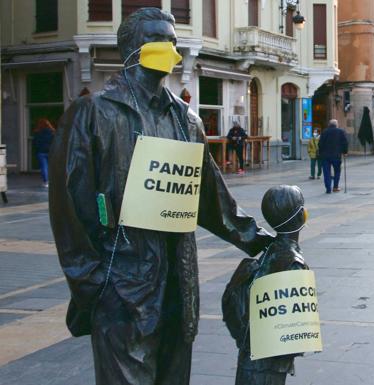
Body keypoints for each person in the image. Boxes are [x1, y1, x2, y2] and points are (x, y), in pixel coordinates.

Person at [48, 8, 272, 385]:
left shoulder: (187, 120)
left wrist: (260, 239)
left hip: (177, 285)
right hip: (121, 287)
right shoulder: (93, 113)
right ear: (134, 48)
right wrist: (93, 282)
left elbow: (209, 198)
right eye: (161, 39)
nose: (171, 48)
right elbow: (68, 206)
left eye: (173, 40)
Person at [223, 185, 309, 385]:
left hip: (250, 356)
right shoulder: (293, 263)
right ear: (300, 217)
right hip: (268, 365)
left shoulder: (269, 252)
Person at [318, 119, 348, 193]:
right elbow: (345, 142)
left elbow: (320, 144)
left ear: (329, 124)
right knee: (337, 171)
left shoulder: (324, 132)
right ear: (336, 124)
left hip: (325, 156)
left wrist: (321, 152)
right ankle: (335, 187)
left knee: (326, 172)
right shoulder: (341, 131)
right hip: (336, 155)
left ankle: (328, 189)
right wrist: (345, 152)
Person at [32, 118, 55, 188]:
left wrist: (37, 150)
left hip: (41, 152)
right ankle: (53, 181)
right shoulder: (53, 132)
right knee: (51, 167)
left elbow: (35, 143)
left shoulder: (37, 132)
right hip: (51, 152)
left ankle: (46, 182)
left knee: (44, 167)